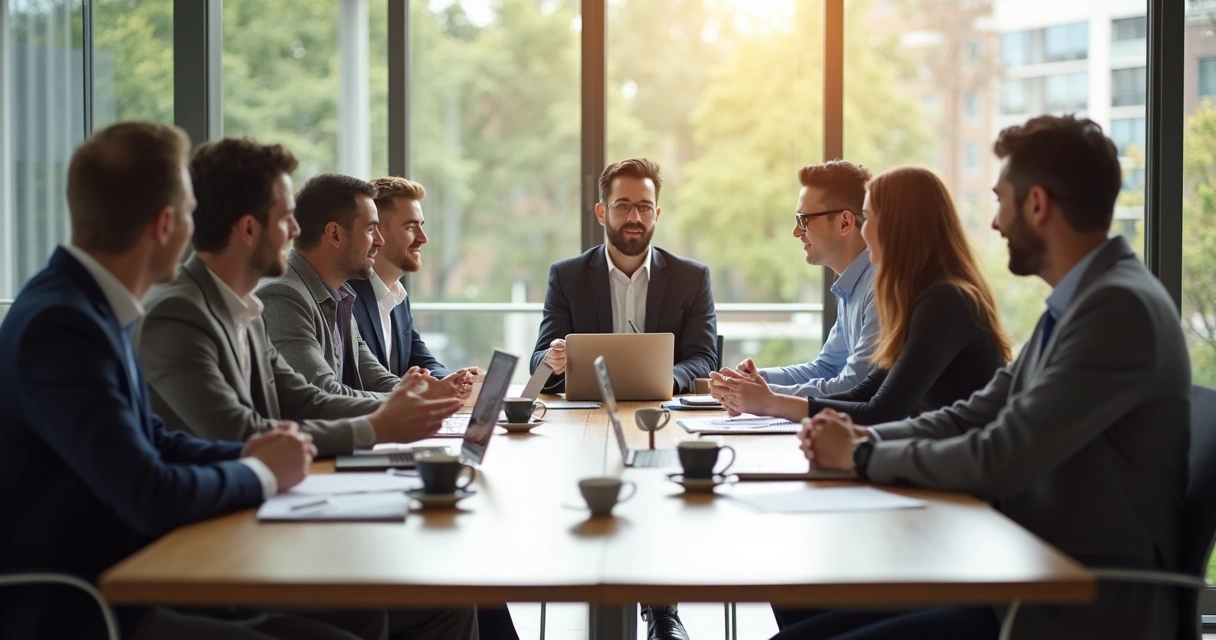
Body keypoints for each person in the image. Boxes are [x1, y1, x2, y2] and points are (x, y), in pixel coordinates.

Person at [777, 115, 1190, 640]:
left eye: (1000, 200)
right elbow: (975, 412)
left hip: (1065, 604)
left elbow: (1000, 455)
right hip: (1014, 568)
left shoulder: (1117, 310)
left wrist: (860, 454)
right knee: (799, 604)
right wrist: (862, 438)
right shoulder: (1080, 303)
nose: (994, 223)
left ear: (1036, 204)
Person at [0, 122, 389, 640]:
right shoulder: (61, 325)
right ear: (165, 224)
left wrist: (265, 454)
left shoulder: (87, 308)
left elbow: (155, 441)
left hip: (136, 569)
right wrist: (261, 473)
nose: (197, 228)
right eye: (189, 214)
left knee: (364, 617)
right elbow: (149, 489)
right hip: (88, 602)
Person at [137, 138, 465, 458]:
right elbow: (238, 433)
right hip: (213, 507)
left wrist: (406, 406)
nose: (296, 231)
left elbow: (304, 400)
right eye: (285, 218)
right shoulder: (178, 312)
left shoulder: (245, 309)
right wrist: (378, 426)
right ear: (249, 230)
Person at [713, 166, 1011, 427]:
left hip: (963, 479)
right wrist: (762, 394)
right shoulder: (921, 296)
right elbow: (866, 392)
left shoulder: (945, 301)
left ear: (899, 228)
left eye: (867, 219)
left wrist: (769, 402)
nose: (863, 232)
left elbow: (881, 410)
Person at [257, 173, 472, 400]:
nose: (379, 240)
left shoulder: (341, 295)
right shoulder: (283, 296)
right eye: (371, 230)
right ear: (334, 234)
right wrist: (412, 400)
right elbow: (322, 393)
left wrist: (427, 392)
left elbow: (375, 377)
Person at [530, 157, 718, 398]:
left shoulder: (692, 278)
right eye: (622, 206)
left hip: (664, 410)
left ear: (656, 214)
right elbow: (538, 363)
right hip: (589, 413)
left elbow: (705, 359)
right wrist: (552, 362)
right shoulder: (567, 277)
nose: (635, 218)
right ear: (601, 213)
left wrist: (665, 381)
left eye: (644, 207)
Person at [710, 161, 879, 406]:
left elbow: (855, 386)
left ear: (844, 222)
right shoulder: (851, 284)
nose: (796, 232)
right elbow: (827, 368)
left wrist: (761, 395)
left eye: (803, 220)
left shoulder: (879, 286)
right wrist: (757, 380)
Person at [348, 176, 479, 382]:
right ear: (377, 232)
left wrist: (451, 380)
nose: (423, 238)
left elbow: (421, 361)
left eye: (421, 225)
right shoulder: (346, 298)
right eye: (410, 227)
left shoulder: (398, 296)